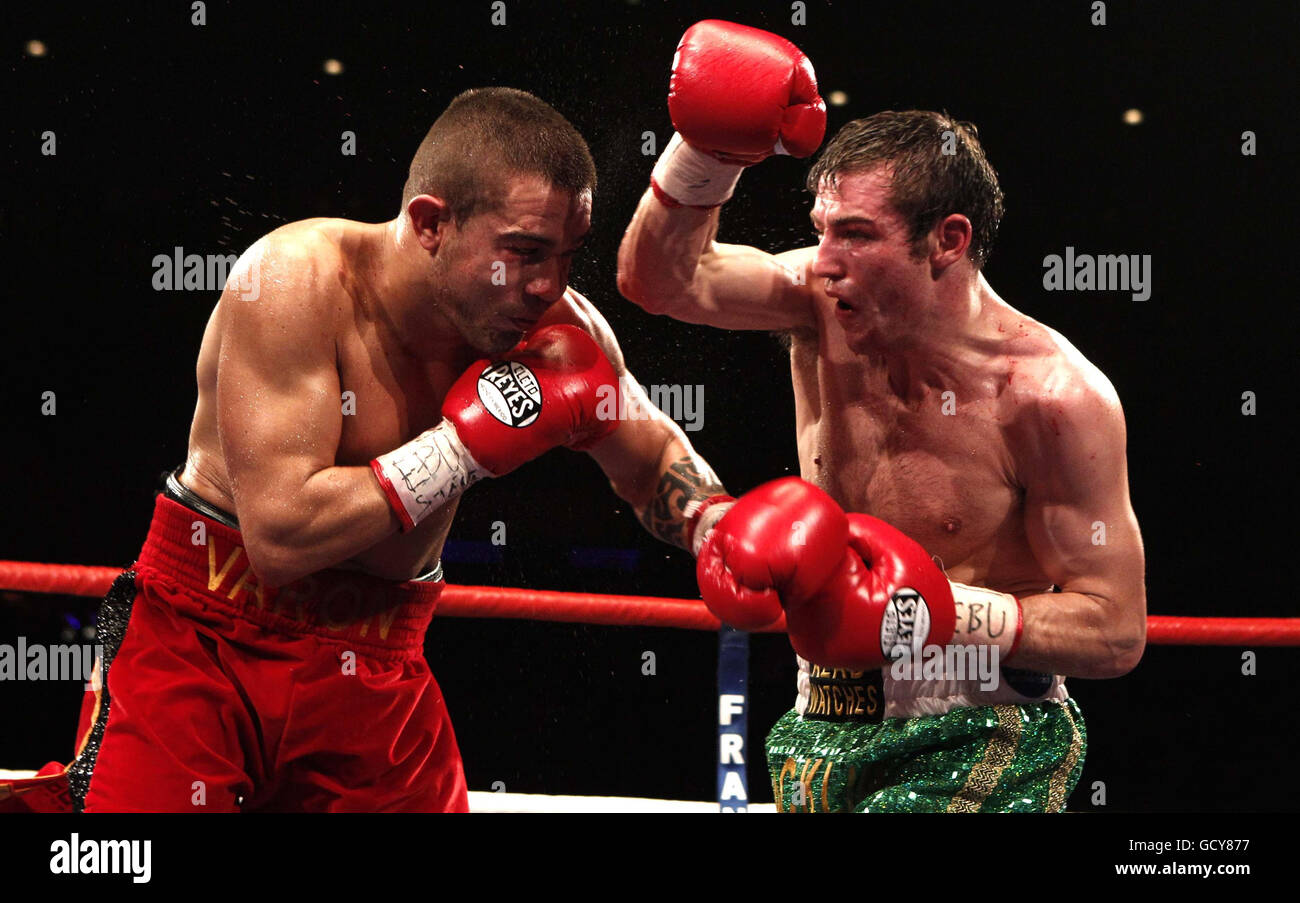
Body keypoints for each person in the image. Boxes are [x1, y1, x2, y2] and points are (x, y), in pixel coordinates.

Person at [48, 86, 732, 812]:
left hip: (375, 662)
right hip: (203, 640)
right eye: (524, 252)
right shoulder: (295, 280)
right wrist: (462, 446)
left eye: (567, 255)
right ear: (431, 222)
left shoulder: (558, 329)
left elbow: (653, 460)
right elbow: (279, 535)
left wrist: (722, 529)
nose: (546, 285)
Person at [618, 20, 1147, 813]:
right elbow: (660, 280)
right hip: (818, 717)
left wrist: (940, 610)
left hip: (984, 724)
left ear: (948, 240)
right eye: (821, 232)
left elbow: (1114, 630)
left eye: (857, 236)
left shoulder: (1054, 396)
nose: (825, 261)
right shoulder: (817, 301)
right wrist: (706, 153)